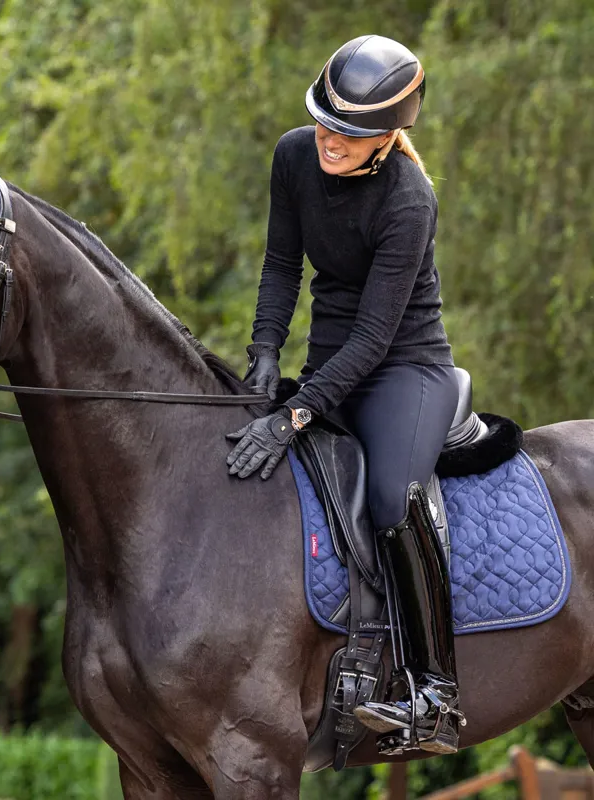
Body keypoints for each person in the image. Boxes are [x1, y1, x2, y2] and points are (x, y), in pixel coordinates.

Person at [225, 34, 465, 755]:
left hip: (403, 369)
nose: (332, 140)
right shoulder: (294, 154)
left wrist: (298, 412)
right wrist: (266, 351)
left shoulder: (408, 199)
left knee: (395, 496)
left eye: (352, 133)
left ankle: (435, 695)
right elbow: (280, 265)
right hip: (331, 358)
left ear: (389, 136)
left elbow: (374, 337)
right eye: (327, 122)